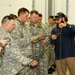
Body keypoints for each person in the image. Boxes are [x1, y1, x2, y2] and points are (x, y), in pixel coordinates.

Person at [11, 8, 38, 75]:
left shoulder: (25, 25)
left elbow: (28, 37)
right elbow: (15, 41)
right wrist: (29, 40)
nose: (27, 18)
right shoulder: (15, 25)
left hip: (29, 55)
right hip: (21, 57)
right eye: (26, 16)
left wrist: (32, 39)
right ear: (21, 14)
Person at [27, 10, 48, 75]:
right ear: (30, 17)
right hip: (31, 55)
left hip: (42, 54)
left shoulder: (42, 27)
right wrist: (38, 38)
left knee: (43, 72)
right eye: (34, 17)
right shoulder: (26, 27)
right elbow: (28, 39)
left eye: (37, 17)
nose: (36, 19)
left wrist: (45, 40)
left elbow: (46, 36)